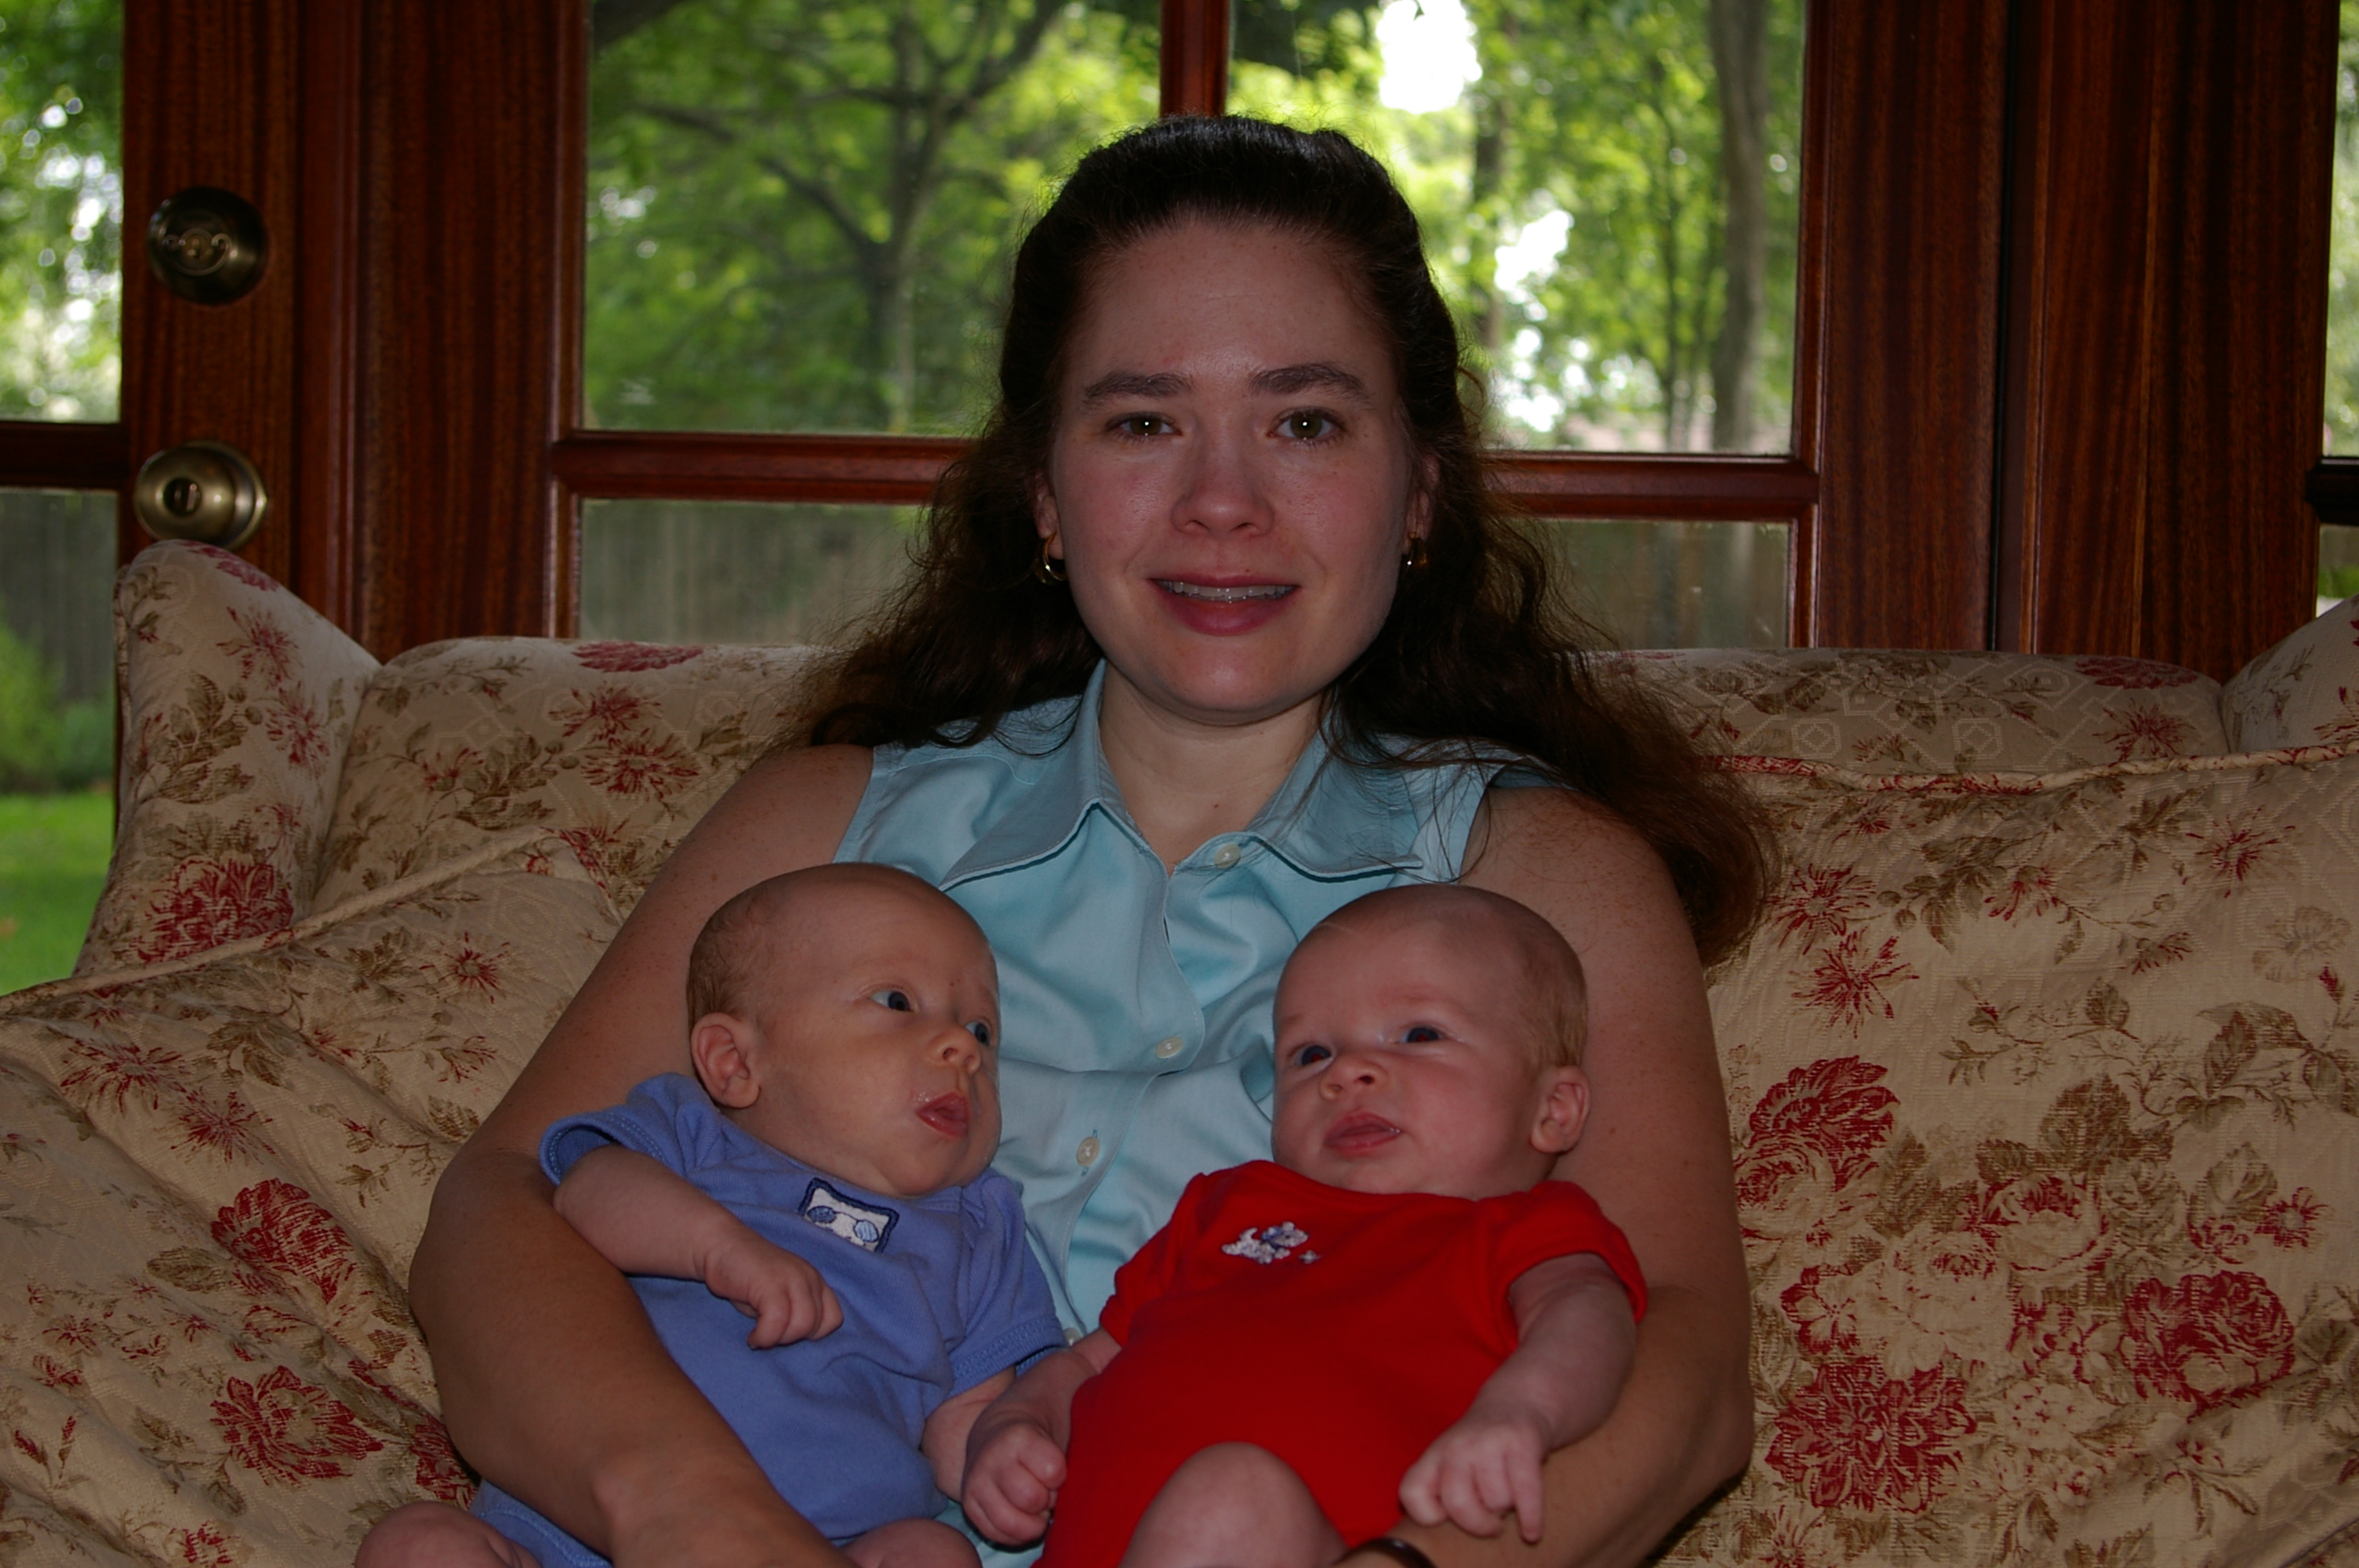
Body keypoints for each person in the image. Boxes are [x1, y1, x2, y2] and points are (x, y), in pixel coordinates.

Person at [409, 114, 1768, 1568]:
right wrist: (704, 1520)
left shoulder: (1545, 876)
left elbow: (1679, 1369)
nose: (1222, 503)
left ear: (1420, 489)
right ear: (1045, 499)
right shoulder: (823, 823)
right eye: (1141, 423)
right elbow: (505, 1208)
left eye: (1305, 422)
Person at [362, 866, 1064, 1568]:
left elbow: (966, 1414)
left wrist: (1000, 1457)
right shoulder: (693, 1133)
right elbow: (584, 1193)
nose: (961, 1049)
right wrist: (714, 1245)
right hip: (572, 1526)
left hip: (830, 1542)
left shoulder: (982, 1228)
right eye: (897, 1001)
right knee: (418, 1544)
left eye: (982, 1030)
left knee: (935, 1551)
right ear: (734, 1062)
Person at [962, 884, 1646, 1568]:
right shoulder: (1226, 1207)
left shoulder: (1519, 1229)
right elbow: (1090, 1361)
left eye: (1420, 1035)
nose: (1347, 1072)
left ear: (1553, 1110)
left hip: (1321, 1547)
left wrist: (1524, 1410)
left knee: (1229, 1500)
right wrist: (1022, 1419)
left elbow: (1586, 1318)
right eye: (1310, 1054)